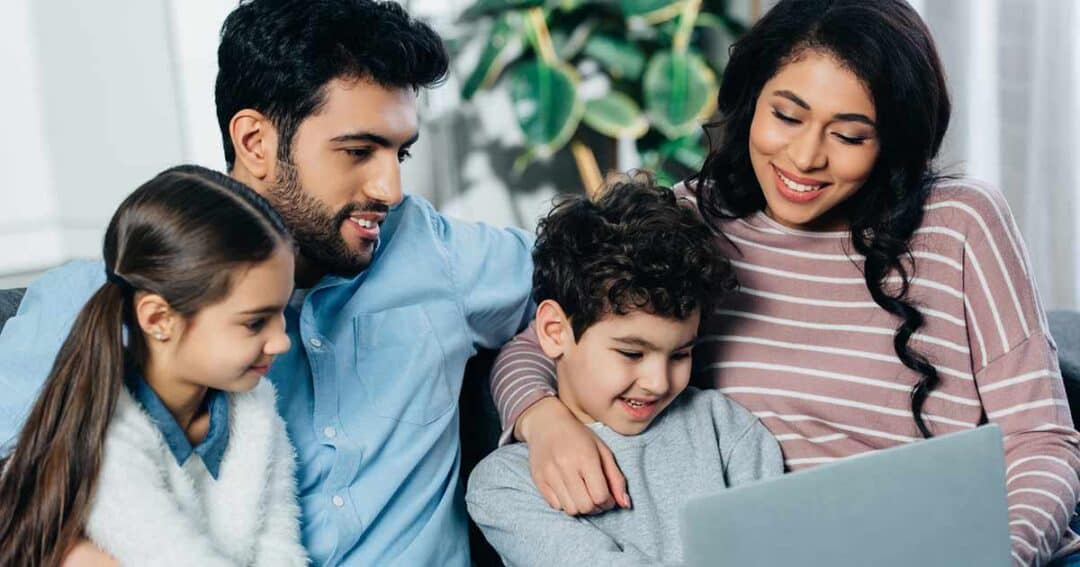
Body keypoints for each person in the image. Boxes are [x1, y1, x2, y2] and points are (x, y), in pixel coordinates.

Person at [489, 1, 1080, 565]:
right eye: (787, 116)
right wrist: (543, 422)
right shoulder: (694, 219)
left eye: (849, 136)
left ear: (892, 140)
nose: (803, 157)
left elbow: (1042, 443)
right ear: (752, 101)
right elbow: (544, 338)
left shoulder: (963, 223)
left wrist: (993, 556)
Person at [0, 0, 534, 565]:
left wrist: (534, 401)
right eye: (358, 150)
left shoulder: (434, 250)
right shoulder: (105, 297)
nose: (389, 187)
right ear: (255, 141)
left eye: (400, 152)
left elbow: (596, 287)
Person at [467, 175, 783, 565]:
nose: (658, 383)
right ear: (554, 331)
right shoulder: (504, 485)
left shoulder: (724, 429)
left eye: (680, 354)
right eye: (632, 353)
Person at [0, 165, 305, 566]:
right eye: (255, 322)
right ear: (159, 320)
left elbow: (279, 548)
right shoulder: (107, 433)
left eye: (281, 313)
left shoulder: (254, 410)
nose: (282, 340)